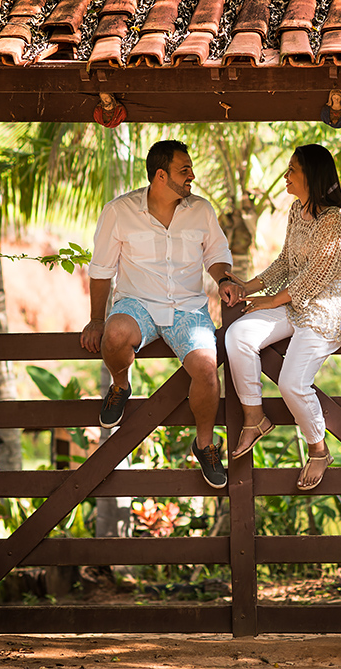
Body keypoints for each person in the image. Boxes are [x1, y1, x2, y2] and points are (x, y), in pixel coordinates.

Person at [81, 140, 241, 489]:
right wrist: (96, 319)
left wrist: (224, 279)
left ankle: (204, 445)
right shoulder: (118, 211)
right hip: (137, 303)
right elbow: (101, 270)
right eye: (185, 171)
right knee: (115, 334)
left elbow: (215, 253)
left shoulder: (201, 210)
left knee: (206, 368)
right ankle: (120, 386)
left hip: (188, 307)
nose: (192, 176)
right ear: (160, 175)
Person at [223, 144, 341, 491]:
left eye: (291, 170)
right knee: (237, 337)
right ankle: (254, 418)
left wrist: (269, 301)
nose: (285, 177)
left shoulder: (336, 222)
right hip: (295, 302)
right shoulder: (296, 211)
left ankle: (318, 449)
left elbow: (315, 278)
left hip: (330, 307)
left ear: (310, 175)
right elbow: (287, 262)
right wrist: (248, 286)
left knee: (291, 384)